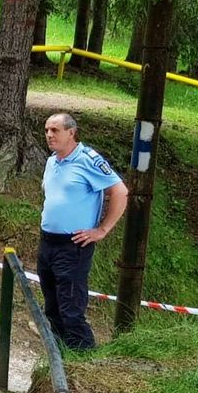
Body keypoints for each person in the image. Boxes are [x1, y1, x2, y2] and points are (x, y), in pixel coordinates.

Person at [39, 113, 129, 351]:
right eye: (47, 130)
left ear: (71, 132)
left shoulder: (88, 159)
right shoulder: (52, 161)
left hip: (74, 245)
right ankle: (59, 359)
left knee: (71, 309)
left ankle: (84, 358)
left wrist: (102, 229)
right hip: (48, 242)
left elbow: (120, 191)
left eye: (55, 130)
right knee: (52, 306)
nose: (49, 135)